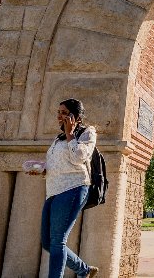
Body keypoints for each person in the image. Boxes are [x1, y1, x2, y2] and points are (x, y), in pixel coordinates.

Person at [24, 99, 99, 278]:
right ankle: (84, 270)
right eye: (58, 112)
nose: (59, 116)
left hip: (73, 188)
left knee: (58, 241)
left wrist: (71, 134)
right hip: (53, 191)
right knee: (48, 243)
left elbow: (78, 157)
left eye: (64, 113)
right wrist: (42, 169)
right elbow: (57, 164)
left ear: (77, 117)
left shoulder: (87, 133)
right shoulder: (58, 138)